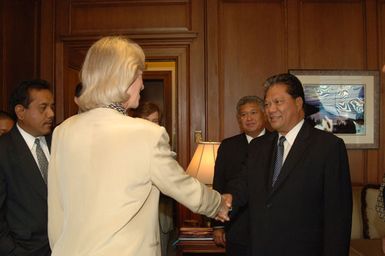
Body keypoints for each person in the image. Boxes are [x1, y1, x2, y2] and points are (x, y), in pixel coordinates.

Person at [47, 36, 231, 256]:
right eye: (140, 76)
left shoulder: (63, 131)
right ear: (123, 78)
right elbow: (182, 186)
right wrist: (218, 204)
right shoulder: (146, 134)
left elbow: (56, 209)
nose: (142, 85)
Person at [231, 73, 352, 256]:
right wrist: (220, 201)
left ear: (298, 103)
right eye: (267, 104)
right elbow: (241, 188)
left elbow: (338, 218)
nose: (271, 109)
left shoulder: (328, 147)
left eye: (278, 102)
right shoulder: (258, 147)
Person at [0, 79, 55, 255]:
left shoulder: (60, 142)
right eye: (43, 107)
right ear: (20, 111)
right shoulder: (3, 151)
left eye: (51, 107)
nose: (51, 113)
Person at [212, 95, 267, 255]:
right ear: (239, 119)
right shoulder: (228, 146)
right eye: (243, 115)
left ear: (264, 114)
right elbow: (219, 184)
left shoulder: (277, 142)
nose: (248, 118)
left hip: (269, 228)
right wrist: (218, 226)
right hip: (236, 225)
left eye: (253, 113)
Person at [131, 101, 174, 256]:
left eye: (155, 121)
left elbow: (173, 182)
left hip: (161, 217)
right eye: (146, 121)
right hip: (135, 220)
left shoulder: (164, 144)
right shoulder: (127, 146)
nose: (151, 126)